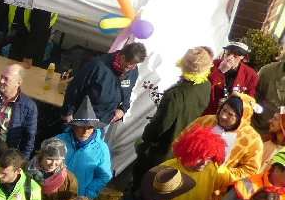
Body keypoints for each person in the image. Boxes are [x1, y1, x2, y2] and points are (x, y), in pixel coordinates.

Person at [134, 47, 214, 178]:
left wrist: (145, 139)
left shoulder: (175, 95)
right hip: (185, 150)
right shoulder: (206, 86)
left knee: (146, 184)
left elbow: (160, 127)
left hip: (164, 152)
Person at [62, 43, 147, 126]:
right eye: (130, 66)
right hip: (84, 117)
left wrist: (123, 109)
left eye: (135, 65)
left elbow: (128, 91)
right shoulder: (97, 65)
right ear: (123, 57)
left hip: (106, 120)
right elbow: (75, 88)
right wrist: (68, 112)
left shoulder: (133, 70)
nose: (133, 68)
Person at [55, 100, 114, 200]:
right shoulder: (59, 140)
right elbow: (43, 161)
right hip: (53, 194)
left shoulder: (102, 149)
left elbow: (104, 176)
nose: (85, 131)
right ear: (74, 126)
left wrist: (87, 194)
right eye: (81, 126)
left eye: (90, 127)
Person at [205, 40, 258, 114]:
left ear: (242, 57)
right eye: (228, 53)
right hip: (209, 111)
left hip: (231, 114)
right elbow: (204, 86)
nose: (230, 58)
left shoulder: (251, 75)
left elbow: (250, 101)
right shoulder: (214, 64)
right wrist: (220, 71)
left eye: (235, 55)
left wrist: (231, 102)